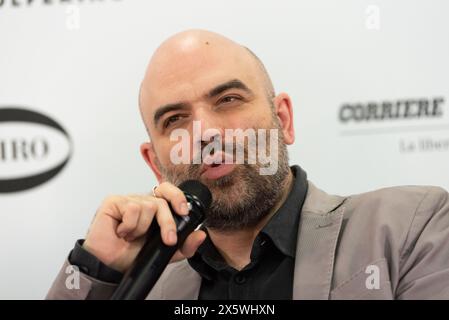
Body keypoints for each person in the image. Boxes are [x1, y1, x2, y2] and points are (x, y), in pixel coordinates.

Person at [46, 29, 449, 300]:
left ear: (284, 121)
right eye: (175, 120)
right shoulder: (141, 290)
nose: (204, 132)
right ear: (155, 163)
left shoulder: (409, 227)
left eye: (228, 100)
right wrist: (95, 267)